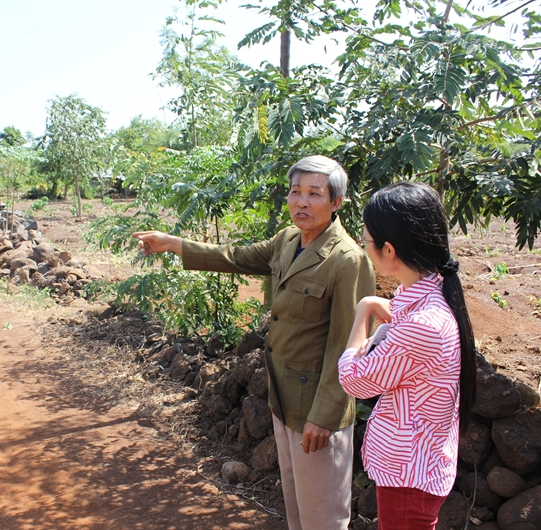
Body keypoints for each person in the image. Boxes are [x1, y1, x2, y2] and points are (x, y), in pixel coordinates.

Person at [133, 155, 375, 530]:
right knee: (298, 509)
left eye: (314, 194)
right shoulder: (288, 239)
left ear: (337, 202)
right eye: (296, 192)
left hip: (316, 411)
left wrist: (324, 416)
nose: (302, 202)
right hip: (284, 398)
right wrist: (172, 244)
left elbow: (348, 346)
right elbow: (235, 257)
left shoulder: (347, 260)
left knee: (324, 517)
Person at [338, 182, 477, 530]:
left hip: (408, 473)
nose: (362, 246)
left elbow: (354, 378)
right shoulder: (428, 296)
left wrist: (362, 311)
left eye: (366, 239)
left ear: (388, 250)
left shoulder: (423, 324)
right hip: (417, 463)